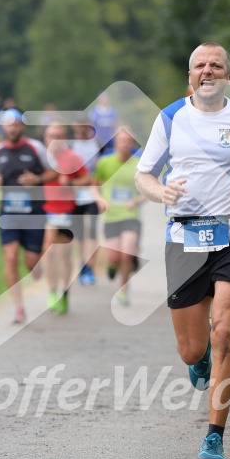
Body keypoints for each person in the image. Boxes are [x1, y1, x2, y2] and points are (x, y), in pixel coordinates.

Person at [135, 42, 230, 459]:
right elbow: (143, 173)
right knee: (191, 350)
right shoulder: (170, 118)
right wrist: (159, 191)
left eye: (216, 65)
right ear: (190, 76)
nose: (207, 70)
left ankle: (214, 438)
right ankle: (198, 359)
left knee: (224, 333)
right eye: (200, 65)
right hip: (184, 237)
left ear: (228, 77)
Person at [0, 108, 58, 323]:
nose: (12, 128)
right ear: (3, 127)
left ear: (22, 126)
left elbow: (54, 171)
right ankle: (18, 308)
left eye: (16, 124)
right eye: (8, 124)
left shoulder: (35, 147)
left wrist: (37, 179)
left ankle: (38, 271)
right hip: (8, 213)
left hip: (33, 212)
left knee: (31, 262)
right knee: (10, 258)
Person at [42, 123, 91, 314]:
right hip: (46, 210)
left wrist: (71, 182)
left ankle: (64, 292)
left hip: (67, 211)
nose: (54, 139)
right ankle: (52, 291)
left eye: (59, 135)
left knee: (63, 255)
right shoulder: (41, 158)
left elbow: (87, 179)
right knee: (48, 252)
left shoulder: (72, 158)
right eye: (51, 135)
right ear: (45, 137)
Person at [93, 128, 145, 305]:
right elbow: (93, 185)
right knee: (114, 256)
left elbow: (147, 192)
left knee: (127, 253)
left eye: (128, 141)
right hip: (111, 216)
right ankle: (112, 264)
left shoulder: (139, 164)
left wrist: (136, 201)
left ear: (132, 144)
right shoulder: (105, 162)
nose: (125, 144)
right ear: (115, 143)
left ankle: (123, 290)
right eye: (121, 140)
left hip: (130, 215)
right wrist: (99, 199)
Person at [70, 113, 101, 285]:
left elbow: (102, 167)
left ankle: (91, 266)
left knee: (93, 231)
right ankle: (82, 264)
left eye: (85, 125)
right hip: (75, 194)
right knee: (79, 233)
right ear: (74, 126)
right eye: (79, 124)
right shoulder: (70, 144)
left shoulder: (96, 144)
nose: (82, 128)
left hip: (92, 192)